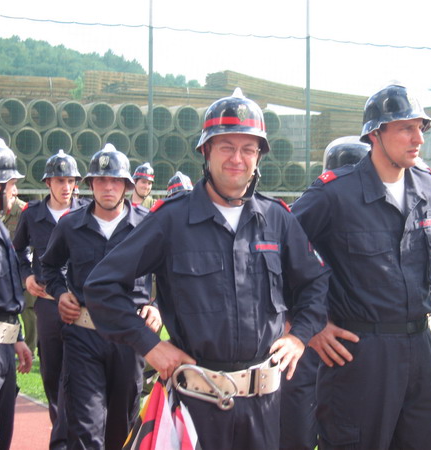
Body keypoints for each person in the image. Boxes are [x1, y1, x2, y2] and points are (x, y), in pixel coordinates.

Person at [84, 88, 330, 450]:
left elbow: (316, 284)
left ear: (259, 156)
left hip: (263, 408)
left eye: (248, 149)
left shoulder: (277, 219)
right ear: (206, 151)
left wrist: (299, 337)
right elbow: (101, 286)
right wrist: (150, 346)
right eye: (226, 146)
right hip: (194, 406)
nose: (237, 158)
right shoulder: (171, 220)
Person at [291, 84, 431, 449]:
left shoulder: (430, 190)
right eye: (406, 128)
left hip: (422, 349)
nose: (418, 139)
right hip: (361, 354)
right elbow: (277, 255)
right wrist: (310, 326)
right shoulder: (335, 194)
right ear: (375, 134)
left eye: (420, 128)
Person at [40, 144, 162, 449]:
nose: (108, 187)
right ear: (90, 184)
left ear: (126, 185)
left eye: (115, 181)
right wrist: (60, 293)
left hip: (130, 338)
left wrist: (158, 306)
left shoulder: (148, 225)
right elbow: (49, 266)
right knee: (85, 426)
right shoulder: (70, 225)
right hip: (83, 336)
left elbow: (172, 274)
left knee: (122, 427)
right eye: (101, 180)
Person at [280, 135, 370, 450]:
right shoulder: (314, 206)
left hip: (356, 344)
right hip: (308, 341)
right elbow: (272, 265)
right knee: (296, 436)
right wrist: (304, 326)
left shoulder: (374, 214)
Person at [12, 149, 86, 449]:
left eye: (70, 181)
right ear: (48, 183)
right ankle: (61, 431)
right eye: (59, 180)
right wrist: (27, 276)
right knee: (52, 369)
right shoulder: (32, 215)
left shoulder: (87, 212)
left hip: (82, 305)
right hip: (47, 302)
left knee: (82, 369)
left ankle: (76, 432)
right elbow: (17, 251)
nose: (66, 187)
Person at [0, 137, 33, 450]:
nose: (15, 191)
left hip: (2, 352)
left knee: (1, 439)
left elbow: (3, 299)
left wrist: (17, 338)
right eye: (11, 183)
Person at [0, 182, 37, 356]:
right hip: (4, 272)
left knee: (29, 311)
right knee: (6, 310)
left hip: (25, 271)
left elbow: (34, 243)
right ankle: (7, 346)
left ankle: (30, 348)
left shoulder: (24, 211)